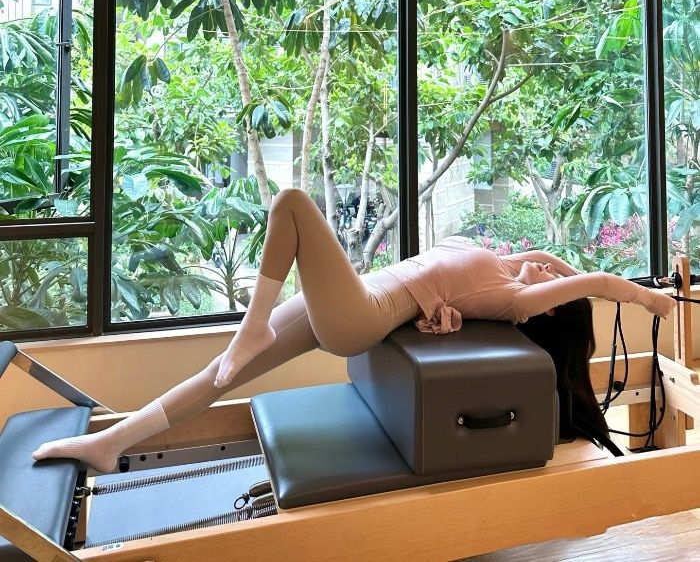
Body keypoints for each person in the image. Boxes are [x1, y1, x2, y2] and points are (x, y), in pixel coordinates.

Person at [32, 188, 674, 472]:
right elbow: (562, 262)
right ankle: (112, 441)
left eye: (554, 280)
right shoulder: (510, 267)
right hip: (352, 300)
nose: (550, 267)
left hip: (357, 317)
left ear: (549, 305)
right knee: (220, 374)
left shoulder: (514, 299)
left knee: (291, 204)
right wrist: (547, 268)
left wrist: (652, 300)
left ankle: (249, 328)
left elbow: (592, 280)